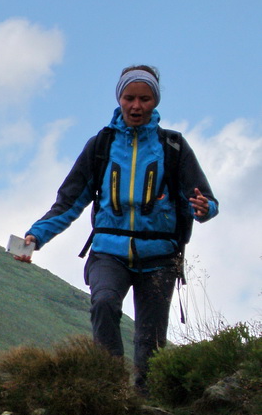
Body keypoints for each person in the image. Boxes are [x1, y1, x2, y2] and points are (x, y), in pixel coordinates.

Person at [18, 65, 218, 394]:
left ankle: (144, 405)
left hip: (161, 257)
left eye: (145, 98)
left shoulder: (173, 147)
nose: (136, 106)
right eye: (129, 98)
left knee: (150, 340)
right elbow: (69, 201)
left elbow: (205, 199)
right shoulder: (101, 145)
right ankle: (109, 388)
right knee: (104, 304)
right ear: (119, 98)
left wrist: (204, 209)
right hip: (108, 253)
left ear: (155, 101)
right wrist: (36, 236)